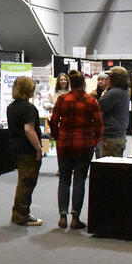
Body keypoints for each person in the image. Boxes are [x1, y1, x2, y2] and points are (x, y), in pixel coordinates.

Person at [49, 70, 103, 230]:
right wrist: (93, 141)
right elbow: (99, 125)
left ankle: (62, 216)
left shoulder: (62, 99)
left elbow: (53, 121)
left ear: (71, 83)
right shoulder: (91, 101)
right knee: (79, 181)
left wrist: (57, 136)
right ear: (84, 84)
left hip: (64, 144)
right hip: (84, 146)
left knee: (64, 180)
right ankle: (75, 217)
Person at [7, 76, 43, 226]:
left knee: (23, 181)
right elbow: (29, 130)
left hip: (15, 148)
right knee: (27, 182)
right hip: (27, 150)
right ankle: (21, 215)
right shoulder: (29, 108)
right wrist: (39, 149)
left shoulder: (11, 107)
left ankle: (19, 212)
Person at [96, 67, 129, 158]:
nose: (108, 79)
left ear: (115, 78)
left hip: (110, 138)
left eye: (109, 76)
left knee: (107, 168)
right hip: (118, 136)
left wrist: (103, 96)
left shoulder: (114, 93)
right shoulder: (124, 92)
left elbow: (98, 107)